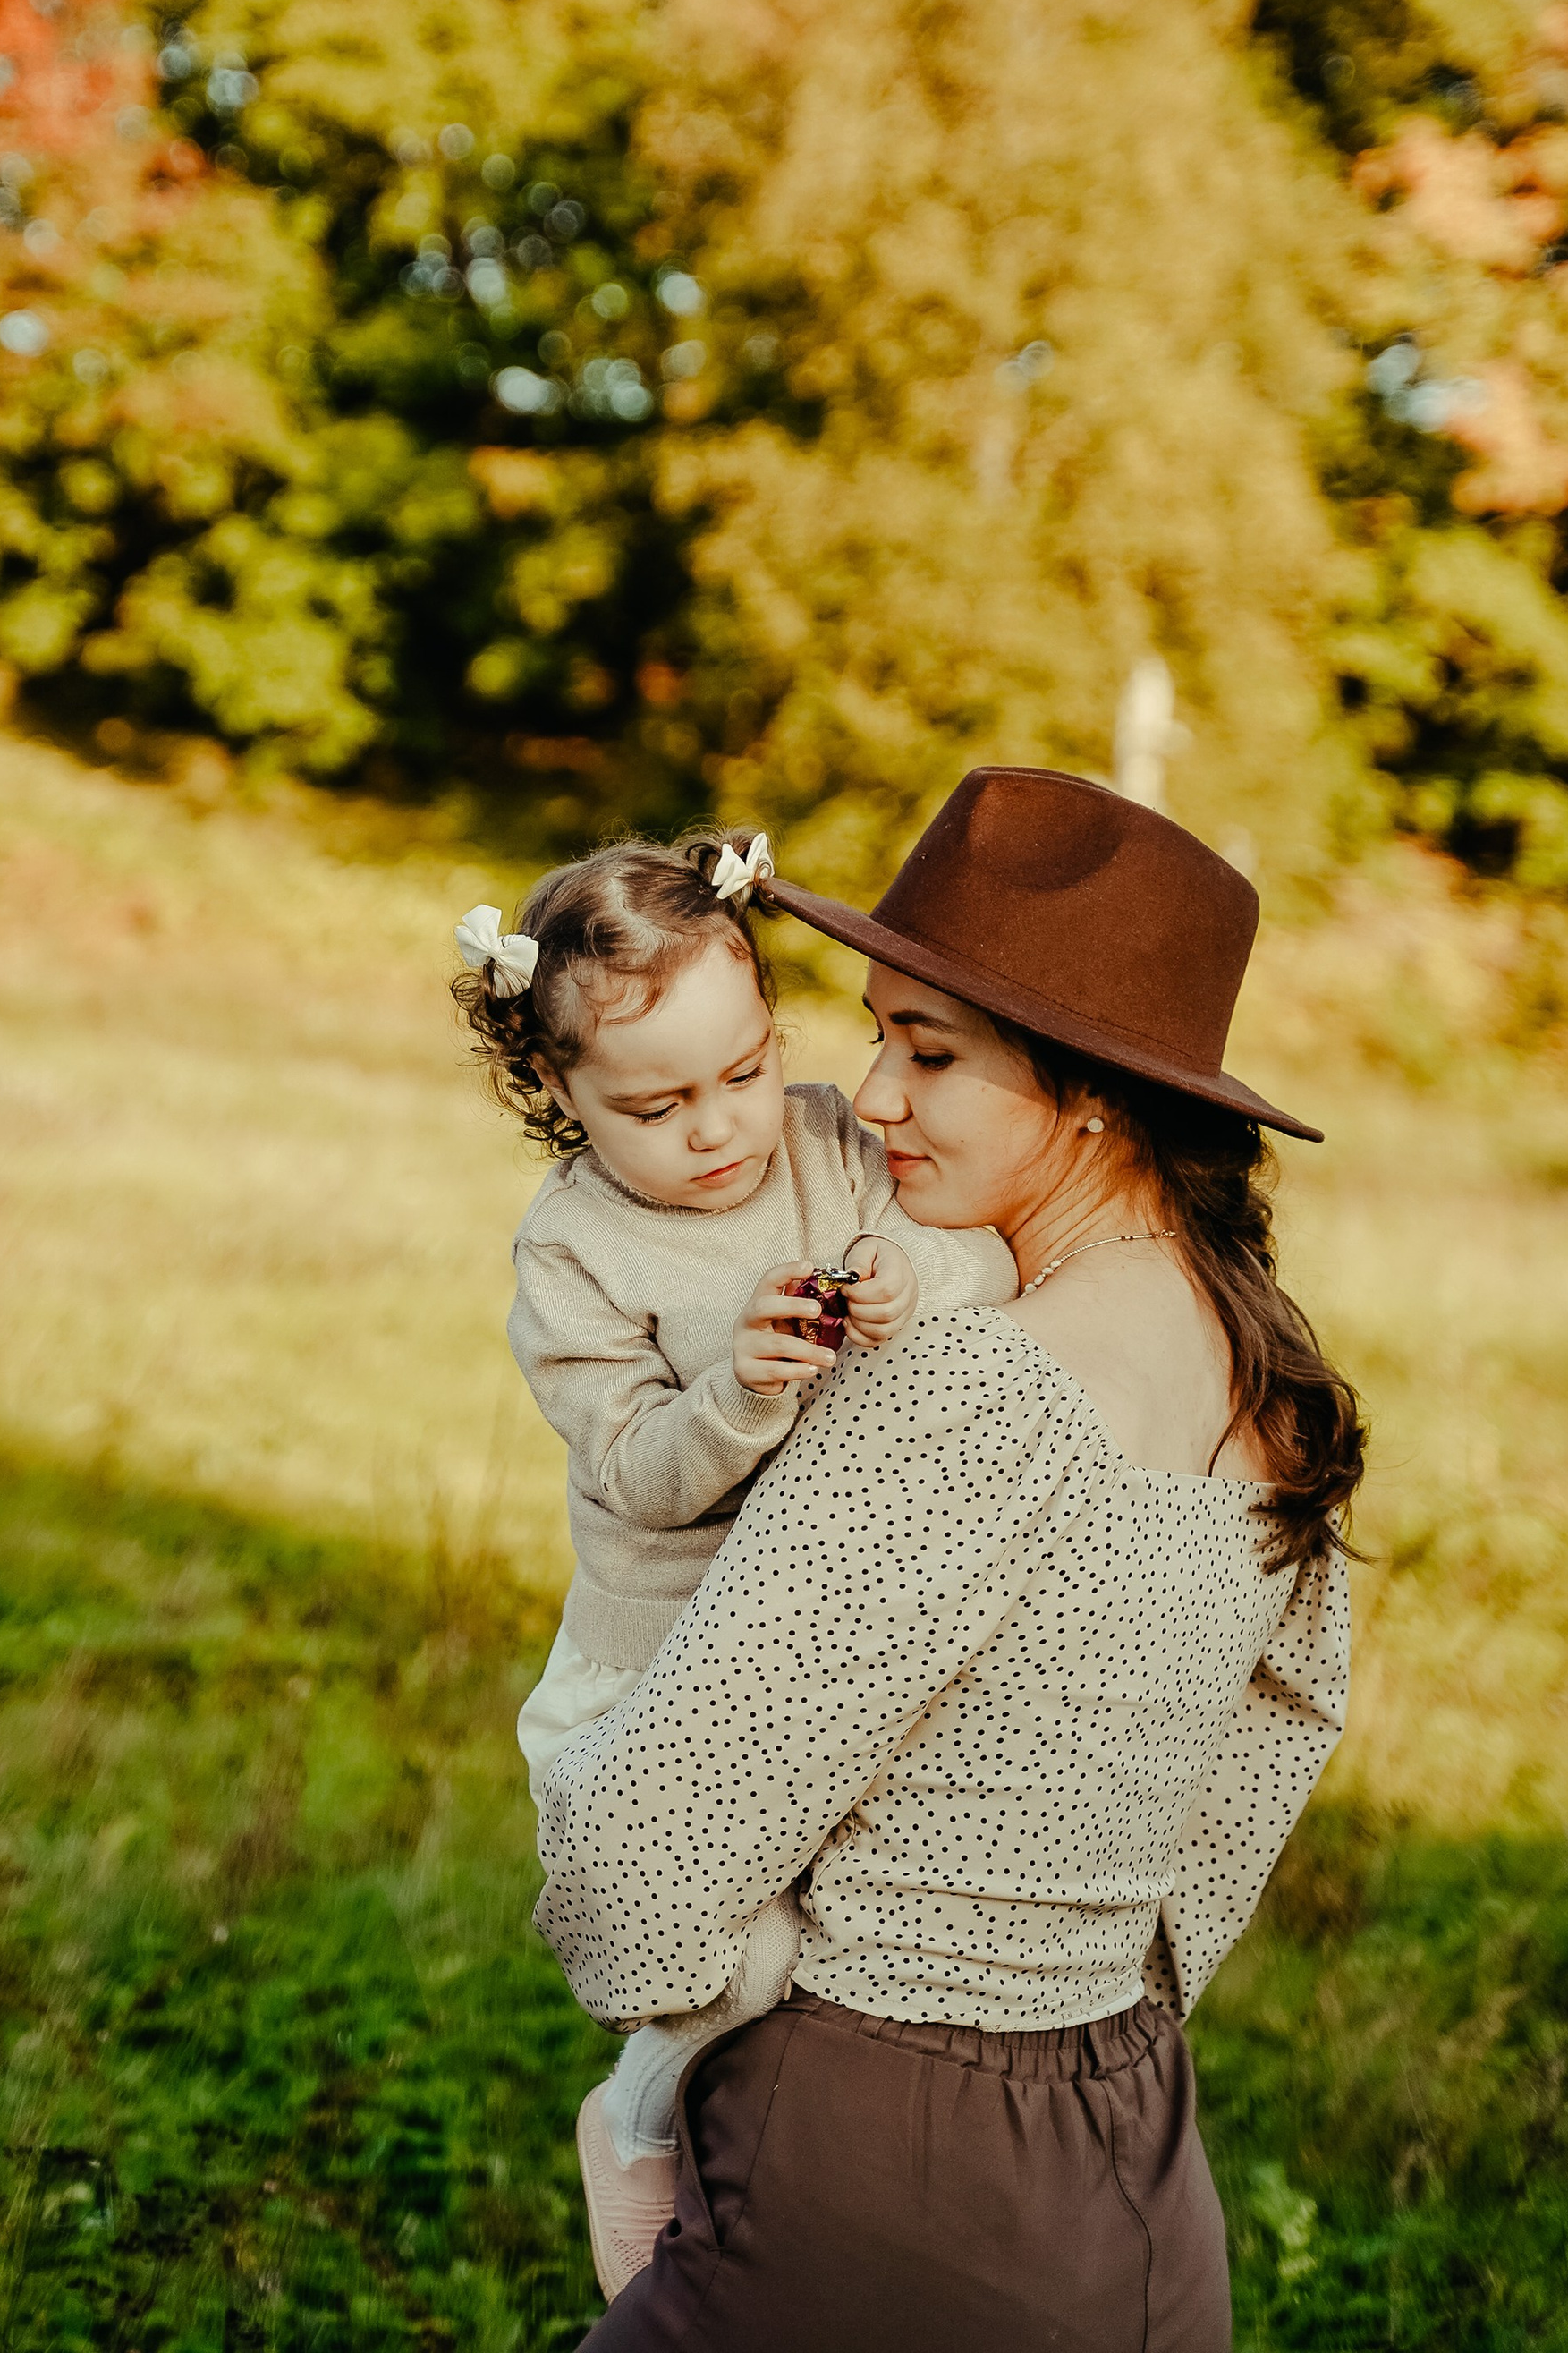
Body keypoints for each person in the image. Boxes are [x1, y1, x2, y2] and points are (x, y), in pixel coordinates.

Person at [534, 767, 1364, 2350]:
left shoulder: (971, 1388)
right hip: (1134, 2157)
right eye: (870, 1036)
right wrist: (1071, 1992)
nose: (871, 1101)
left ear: (1095, 1093)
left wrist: (703, 2048)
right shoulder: (1274, 1379)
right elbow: (1262, 1764)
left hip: (871, 2159)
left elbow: (637, 1874)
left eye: (929, 1052)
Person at [455, 833, 1018, 2295]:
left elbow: (997, 1261)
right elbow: (632, 1469)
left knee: (848, 1955)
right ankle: (643, 2120)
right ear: (558, 1096)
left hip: (823, 1645)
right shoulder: (576, 1252)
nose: (716, 1128)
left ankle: (792, 2195)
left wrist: (918, 1273)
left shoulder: (833, 1144)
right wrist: (741, 1398)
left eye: (743, 1071)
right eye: (654, 1104)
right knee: (735, 1959)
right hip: (657, 1664)